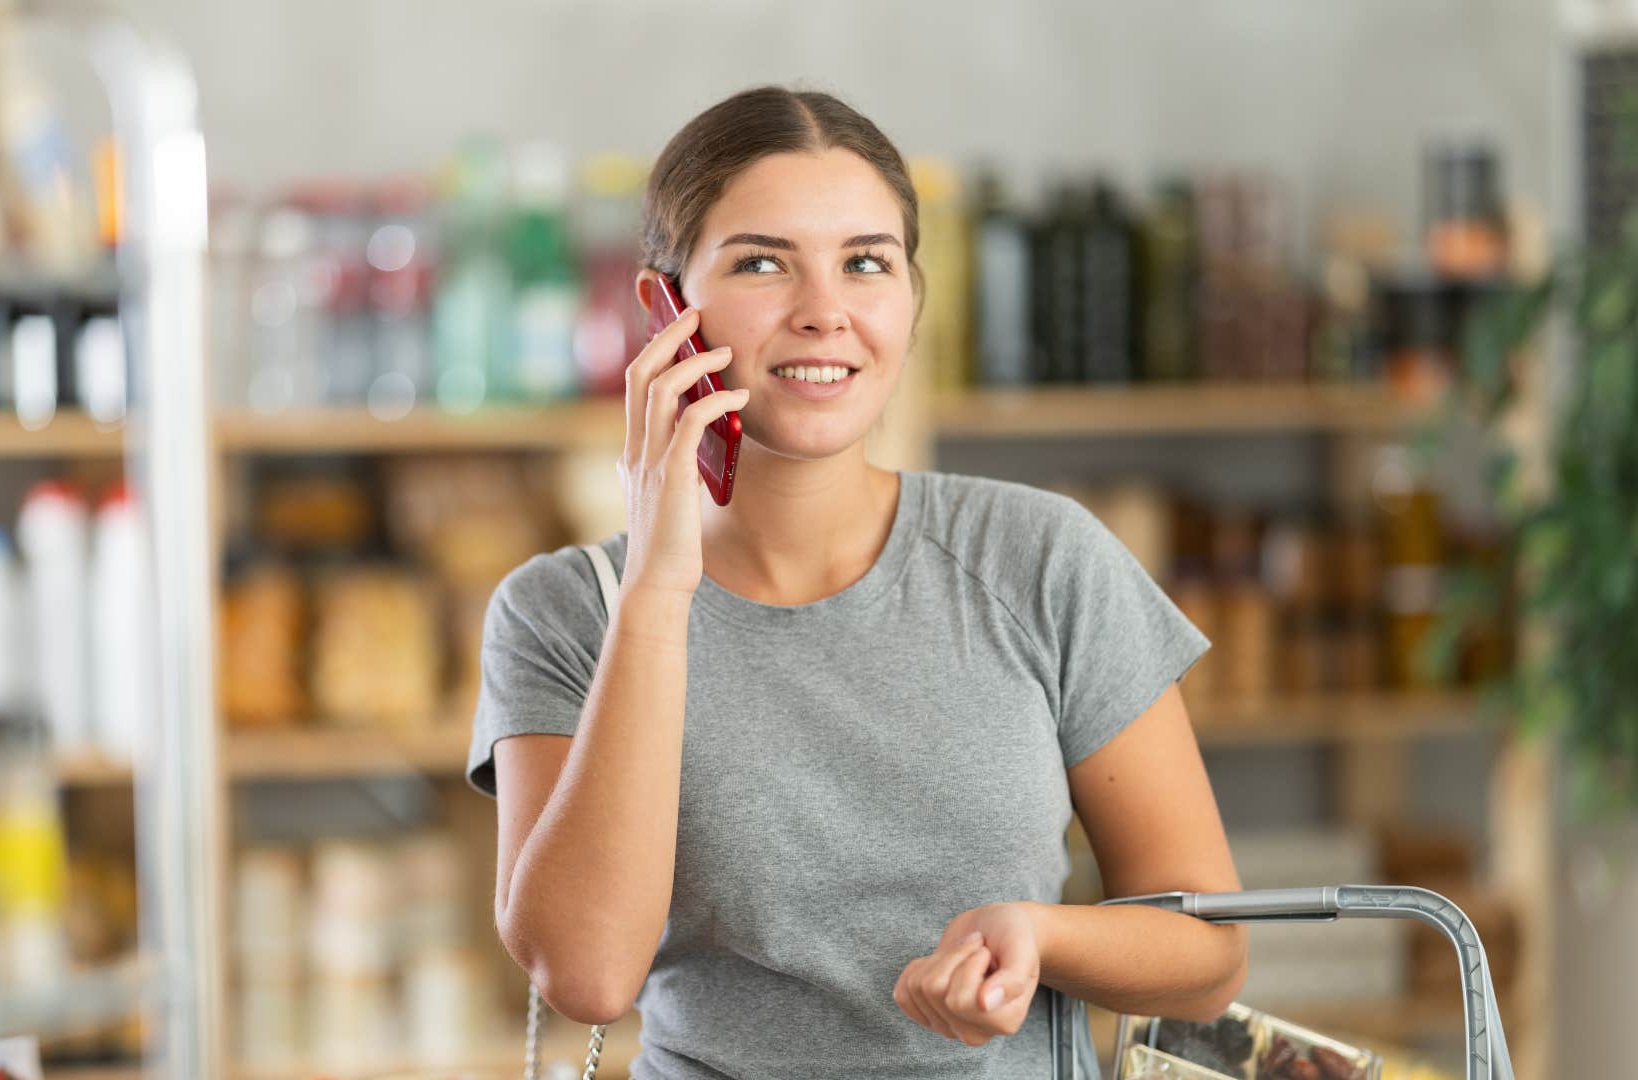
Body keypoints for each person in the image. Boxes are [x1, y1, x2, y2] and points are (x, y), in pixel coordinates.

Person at [464, 85, 1245, 1080]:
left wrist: (1044, 937)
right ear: (665, 310)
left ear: (912, 300)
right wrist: (658, 590)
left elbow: (1210, 955)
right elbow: (585, 975)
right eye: (761, 263)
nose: (824, 313)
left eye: (866, 264)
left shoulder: (1044, 559)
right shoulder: (564, 613)